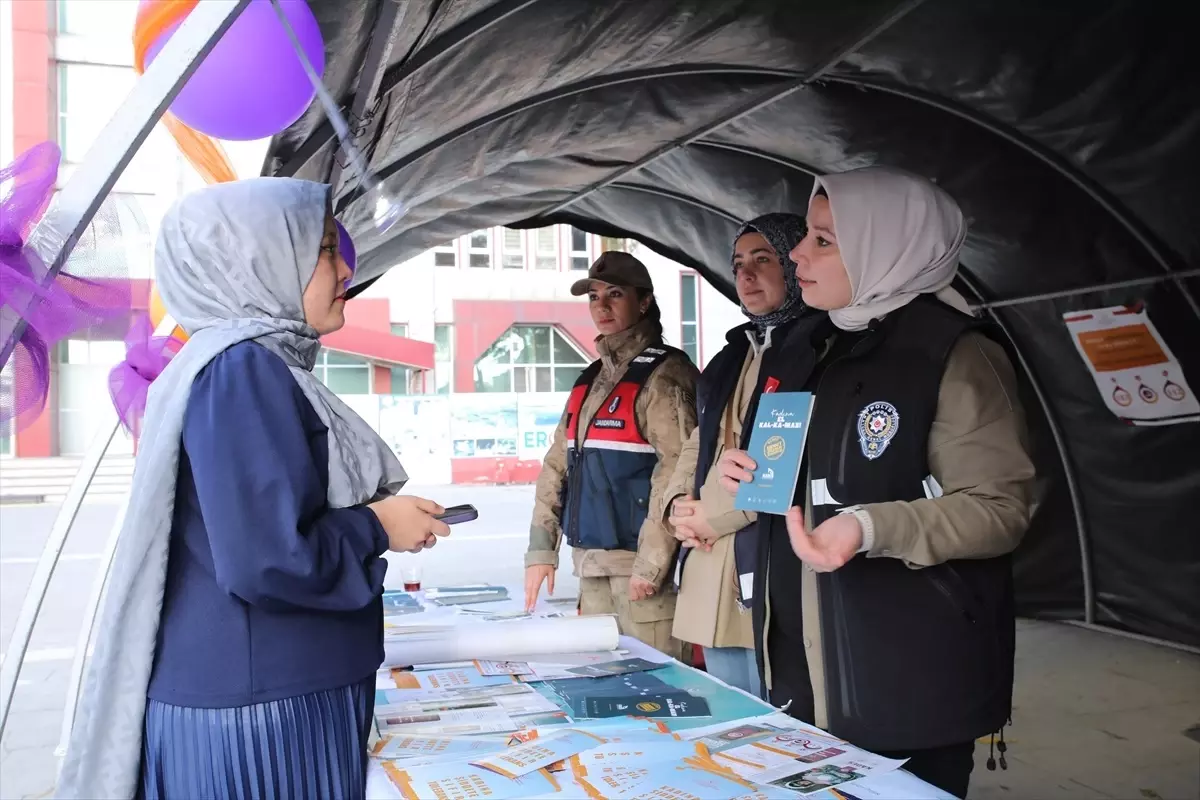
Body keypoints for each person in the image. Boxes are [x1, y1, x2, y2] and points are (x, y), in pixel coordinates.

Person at [57, 178, 451, 800]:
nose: (346, 265)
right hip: (260, 710)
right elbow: (268, 556)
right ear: (257, 260)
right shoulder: (242, 368)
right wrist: (378, 525)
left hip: (264, 691)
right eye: (323, 250)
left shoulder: (244, 364)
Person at [717, 166, 1036, 798]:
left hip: (909, 676)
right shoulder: (801, 348)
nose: (799, 255)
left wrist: (868, 527)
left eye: (822, 241)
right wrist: (741, 475)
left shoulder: (955, 353)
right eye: (807, 237)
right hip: (798, 663)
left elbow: (999, 508)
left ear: (886, 247)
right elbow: (781, 473)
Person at [662, 213, 809, 697]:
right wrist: (677, 506)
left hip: (768, 558)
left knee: (782, 723)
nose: (745, 275)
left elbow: (786, 460)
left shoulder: (818, 348)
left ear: (795, 264)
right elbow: (698, 442)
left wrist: (710, 517)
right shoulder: (733, 354)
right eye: (738, 263)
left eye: (763, 259)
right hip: (710, 554)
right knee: (732, 718)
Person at [524, 252, 699, 659]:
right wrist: (539, 551)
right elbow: (556, 467)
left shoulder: (665, 375)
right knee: (605, 693)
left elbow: (680, 473)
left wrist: (652, 564)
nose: (601, 306)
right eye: (593, 296)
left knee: (660, 697)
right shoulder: (591, 380)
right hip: (591, 569)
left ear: (644, 302)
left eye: (615, 294)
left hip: (644, 575)